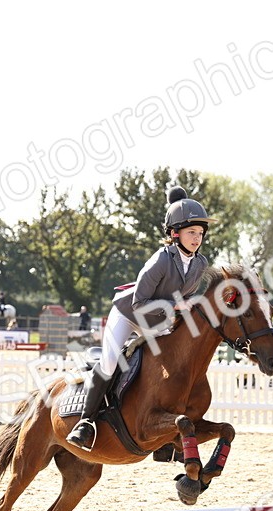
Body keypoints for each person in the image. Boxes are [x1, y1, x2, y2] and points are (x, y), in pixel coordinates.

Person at [66, 186, 215, 451]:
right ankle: (85, 423)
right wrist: (176, 306)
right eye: (191, 232)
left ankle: (166, 437)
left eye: (200, 233)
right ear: (175, 233)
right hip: (129, 314)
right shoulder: (160, 260)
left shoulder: (200, 263)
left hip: (157, 322)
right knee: (110, 363)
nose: (197, 238)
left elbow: (185, 297)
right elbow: (140, 302)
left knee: (170, 367)